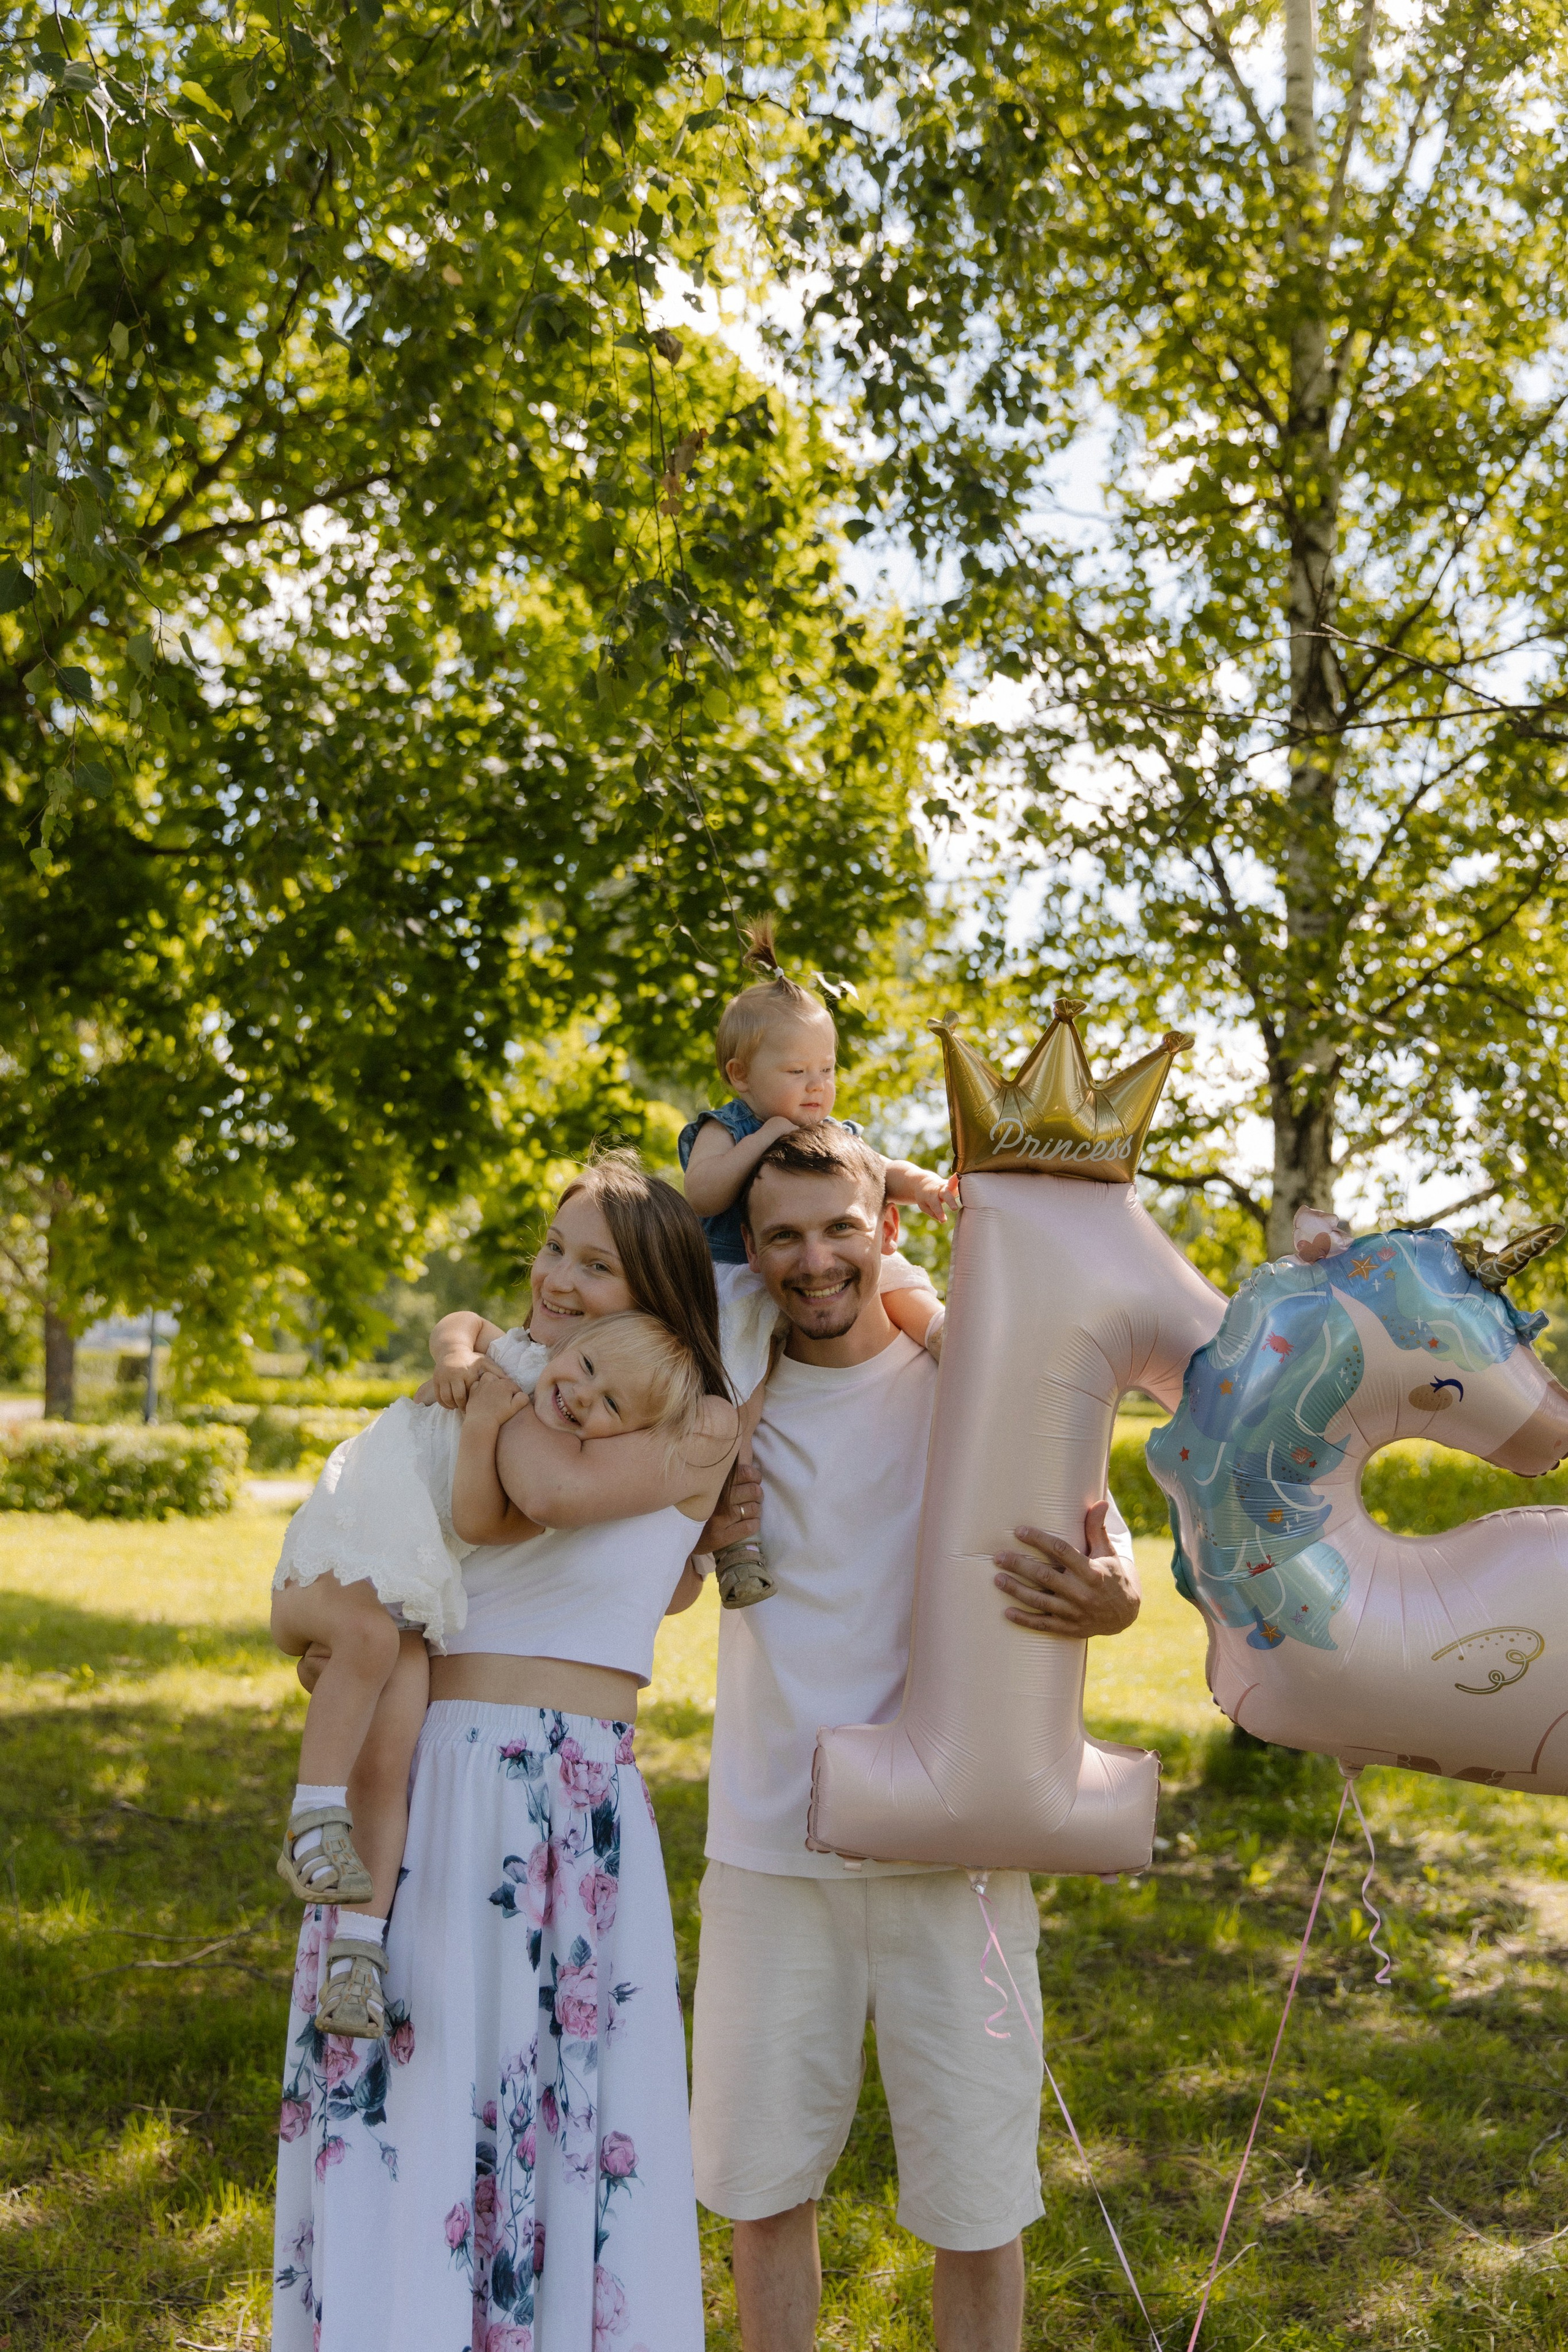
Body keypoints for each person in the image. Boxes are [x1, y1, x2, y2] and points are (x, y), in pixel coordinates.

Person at [687, 1125, 1142, 2352]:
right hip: (771, 1850)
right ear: (754, 1253)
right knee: (762, 2188)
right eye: (781, 1235)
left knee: (977, 2202)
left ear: (887, 1229)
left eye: (838, 1227)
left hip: (961, 1859)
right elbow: (661, 1585)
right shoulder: (724, 1401)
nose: (814, 1258)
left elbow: (1099, 1524)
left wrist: (1119, 1595)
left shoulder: (971, 1372)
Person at [273, 1159, 737, 2352]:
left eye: (598, 1265)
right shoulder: (516, 1379)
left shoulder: (684, 1417)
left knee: (551, 2105)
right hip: (423, 1773)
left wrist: (494, 1394)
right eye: (553, 1247)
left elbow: (527, 1496)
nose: (558, 1279)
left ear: (657, 1297)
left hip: (558, 1789)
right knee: (414, 2094)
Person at [270, 1306, 721, 2037]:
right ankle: (309, 1820)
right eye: (588, 1369)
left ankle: (357, 1959)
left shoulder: (540, 1457)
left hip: (406, 1602)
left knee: (386, 1764)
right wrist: (454, 1361)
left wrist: (486, 1426)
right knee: (364, 1644)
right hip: (343, 1545)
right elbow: (462, 1321)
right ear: (569, 1346)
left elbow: (482, 1523)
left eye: (610, 1407)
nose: (582, 1396)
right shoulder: (514, 1359)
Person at [679, 918, 949, 1607]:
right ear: (741, 1077)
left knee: (890, 1272)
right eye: (796, 1072)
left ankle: (945, 1336)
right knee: (742, 1396)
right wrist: (766, 1134)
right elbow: (703, 1191)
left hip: (801, 1268)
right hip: (741, 1281)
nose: (816, 1087)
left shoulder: (829, 1133)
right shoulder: (729, 1126)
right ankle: (737, 1531)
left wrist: (915, 1184)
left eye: (826, 1070)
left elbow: (876, 1166)